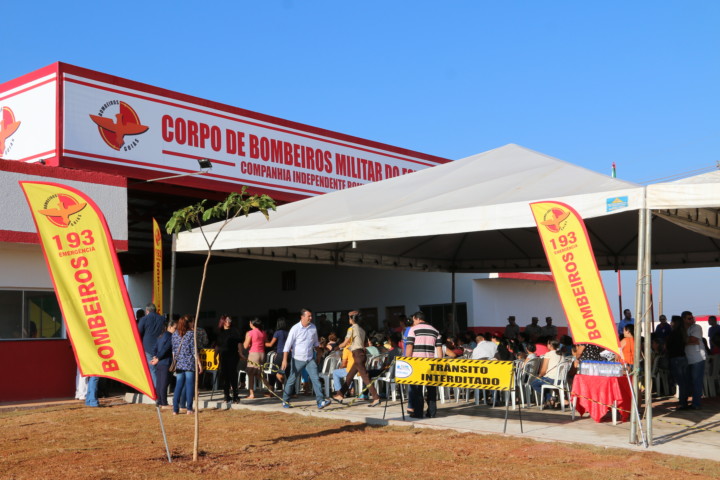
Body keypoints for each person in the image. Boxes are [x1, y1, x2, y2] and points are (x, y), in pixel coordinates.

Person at [281, 308, 331, 410]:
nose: (311, 318)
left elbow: (316, 343)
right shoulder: (295, 329)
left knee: (316, 379)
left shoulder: (313, 327)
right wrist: (284, 360)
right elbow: (287, 345)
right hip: (297, 359)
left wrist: (318, 354)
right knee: (291, 380)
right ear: (302, 317)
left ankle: (320, 401)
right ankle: (285, 400)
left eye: (311, 316)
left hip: (309, 359)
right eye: (309, 316)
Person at [332, 310, 381, 407]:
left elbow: (345, 342)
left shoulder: (351, 329)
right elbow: (364, 344)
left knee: (365, 377)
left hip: (357, 355)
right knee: (349, 376)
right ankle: (340, 394)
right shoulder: (362, 330)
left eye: (349, 318)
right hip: (361, 354)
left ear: (351, 319)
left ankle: (376, 398)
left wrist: (337, 347)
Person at [405, 311, 443, 418]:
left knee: (417, 389)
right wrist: (439, 363)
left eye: (413, 320)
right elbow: (439, 349)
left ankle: (418, 413)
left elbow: (409, 346)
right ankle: (432, 412)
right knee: (431, 389)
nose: (413, 322)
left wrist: (407, 360)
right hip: (431, 363)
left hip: (417, 362)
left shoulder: (413, 329)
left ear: (416, 318)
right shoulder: (435, 331)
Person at [172, 314, 202, 415]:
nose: (193, 323)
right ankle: (189, 408)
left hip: (179, 363)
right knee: (189, 385)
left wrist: (174, 362)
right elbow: (194, 351)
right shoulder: (191, 334)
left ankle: (175, 409)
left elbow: (173, 351)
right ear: (188, 323)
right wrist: (199, 364)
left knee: (178, 386)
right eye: (192, 322)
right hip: (189, 363)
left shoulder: (175, 334)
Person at [215, 315, 242, 403]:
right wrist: (215, 356)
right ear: (223, 321)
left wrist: (240, 353)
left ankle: (235, 395)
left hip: (233, 355)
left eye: (229, 320)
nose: (228, 322)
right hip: (223, 356)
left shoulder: (234, 331)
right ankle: (226, 395)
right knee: (225, 376)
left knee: (233, 375)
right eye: (226, 320)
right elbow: (217, 345)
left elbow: (239, 343)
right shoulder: (220, 332)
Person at [151, 318, 177, 409]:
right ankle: (164, 403)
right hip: (165, 362)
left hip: (159, 363)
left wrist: (155, 357)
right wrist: (158, 358)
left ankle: (160, 402)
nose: (175, 330)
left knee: (159, 383)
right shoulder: (170, 336)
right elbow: (165, 349)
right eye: (175, 328)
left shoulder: (160, 336)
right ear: (169, 327)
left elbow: (155, 348)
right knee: (164, 383)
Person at [137, 302, 165, 385]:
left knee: (152, 369)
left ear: (147, 310)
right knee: (159, 369)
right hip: (160, 346)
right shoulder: (162, 319)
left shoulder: (144, 319)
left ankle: (156, 389)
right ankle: (160, 387)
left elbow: (139, 332)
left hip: (148, 346)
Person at [530, 340, 564, 408]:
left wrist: (539, 376)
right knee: (543, 382)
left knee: (534, 383)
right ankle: (549, 401)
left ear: (550, 345)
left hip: (551, 379)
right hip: (561, 380)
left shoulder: (548, 354)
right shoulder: (562, 354)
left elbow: (543, 370)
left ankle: (550, 398)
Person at [683, 311, 706, 410]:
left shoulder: (696, 327)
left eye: (692, 318)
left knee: (697, 381)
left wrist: (683, 340)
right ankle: (691, 402)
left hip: (698, 358)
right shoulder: (683, 329)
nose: (692, 320)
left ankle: (696, 403)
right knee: (690, 382)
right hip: (688, 359)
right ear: (683, 319)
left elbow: (693, 339)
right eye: (689, 318)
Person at [666, 315, 689, 410]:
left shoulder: (673, 333)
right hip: (683, 358)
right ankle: (684, 401)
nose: (670, 323)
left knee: (680, 382)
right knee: (684, 382)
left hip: (675, 359)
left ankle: (682, 402)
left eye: (672, 321)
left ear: (675, 323)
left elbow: (669, 347)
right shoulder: (683, 332)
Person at [243, 318, 266, 399]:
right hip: (262, 354)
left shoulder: (250, 332)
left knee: (251, 374)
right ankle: (269, 387)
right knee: (259, 373)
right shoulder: (263, 332)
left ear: (252, 324)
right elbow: (264, 342)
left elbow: (245, 346)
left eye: (250, 322)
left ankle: (251, 393)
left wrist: (246, 338)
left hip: (254, 354)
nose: (249, 324)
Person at [265, 317, 289, 390]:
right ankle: (292, 392)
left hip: (280, 354)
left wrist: (263, 343)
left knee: (273, 371)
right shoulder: (288, 332)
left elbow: (271, 344)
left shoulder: (277, 333)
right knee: (288, 373)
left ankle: (271, 390)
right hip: (288, 354)